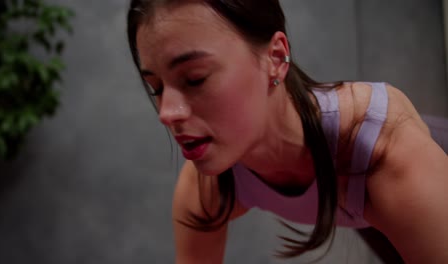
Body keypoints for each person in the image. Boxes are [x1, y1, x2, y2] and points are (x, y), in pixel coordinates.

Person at [126, 0, 448, 263]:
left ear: (276, 58)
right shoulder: (209, 188)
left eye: (194, 78)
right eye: (156, 88)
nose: (167, 113)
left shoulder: (384, 149)